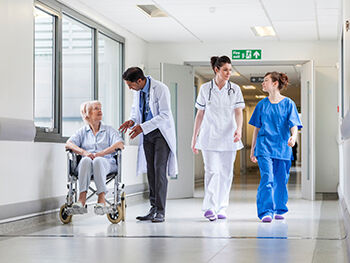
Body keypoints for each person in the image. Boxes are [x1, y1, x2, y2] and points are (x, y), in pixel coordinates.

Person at [119, 67, 178, 223]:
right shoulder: (137, 91)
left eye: (130, 85)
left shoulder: (160, 89)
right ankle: (153, 208)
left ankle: (160, 210)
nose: (130, 88)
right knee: (151, 171)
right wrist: (132, 121)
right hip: (146, 134)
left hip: (161, 134)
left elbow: (165, 115)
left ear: (139, 80)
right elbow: (136, 110)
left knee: (159, 171)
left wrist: (142, 127)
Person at [191, 56, 245, 221]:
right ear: (216, 70)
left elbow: (238, 111)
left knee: (226, 174)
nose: (229, 73)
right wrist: (194, 137)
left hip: (229, 137)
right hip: (209, 137)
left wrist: (239, 129)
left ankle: (222, 207)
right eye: (225, 70)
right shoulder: (205, 89)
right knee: (212, 171)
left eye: (230, 69)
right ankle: (209, 207)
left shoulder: (234, 89)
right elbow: (200, 114)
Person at [249, 72, 302, 223]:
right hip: (264, 147)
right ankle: (266, 211)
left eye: (266, 81)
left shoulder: (288, 103)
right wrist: (253, 149)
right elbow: (256, 129)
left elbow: (294, 125)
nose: (263, 83)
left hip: (282, 147)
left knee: (280, 180)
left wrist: (293, 137)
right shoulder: (261, 105)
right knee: (267, 178)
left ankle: (279, 208)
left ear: (275, 83)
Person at [66, 101, 124, 215]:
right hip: (85, 166)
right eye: (96, 108)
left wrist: (101, 153)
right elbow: (68, 144)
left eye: (100, 108)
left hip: (106, 163)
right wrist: (84, 152)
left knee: (97, 160)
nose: (100, 110)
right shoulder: (83, 132)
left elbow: (119, 145)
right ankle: (81, 199)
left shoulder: (109, 130)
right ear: (87, 114)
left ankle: (101, 199)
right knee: (86, 159)